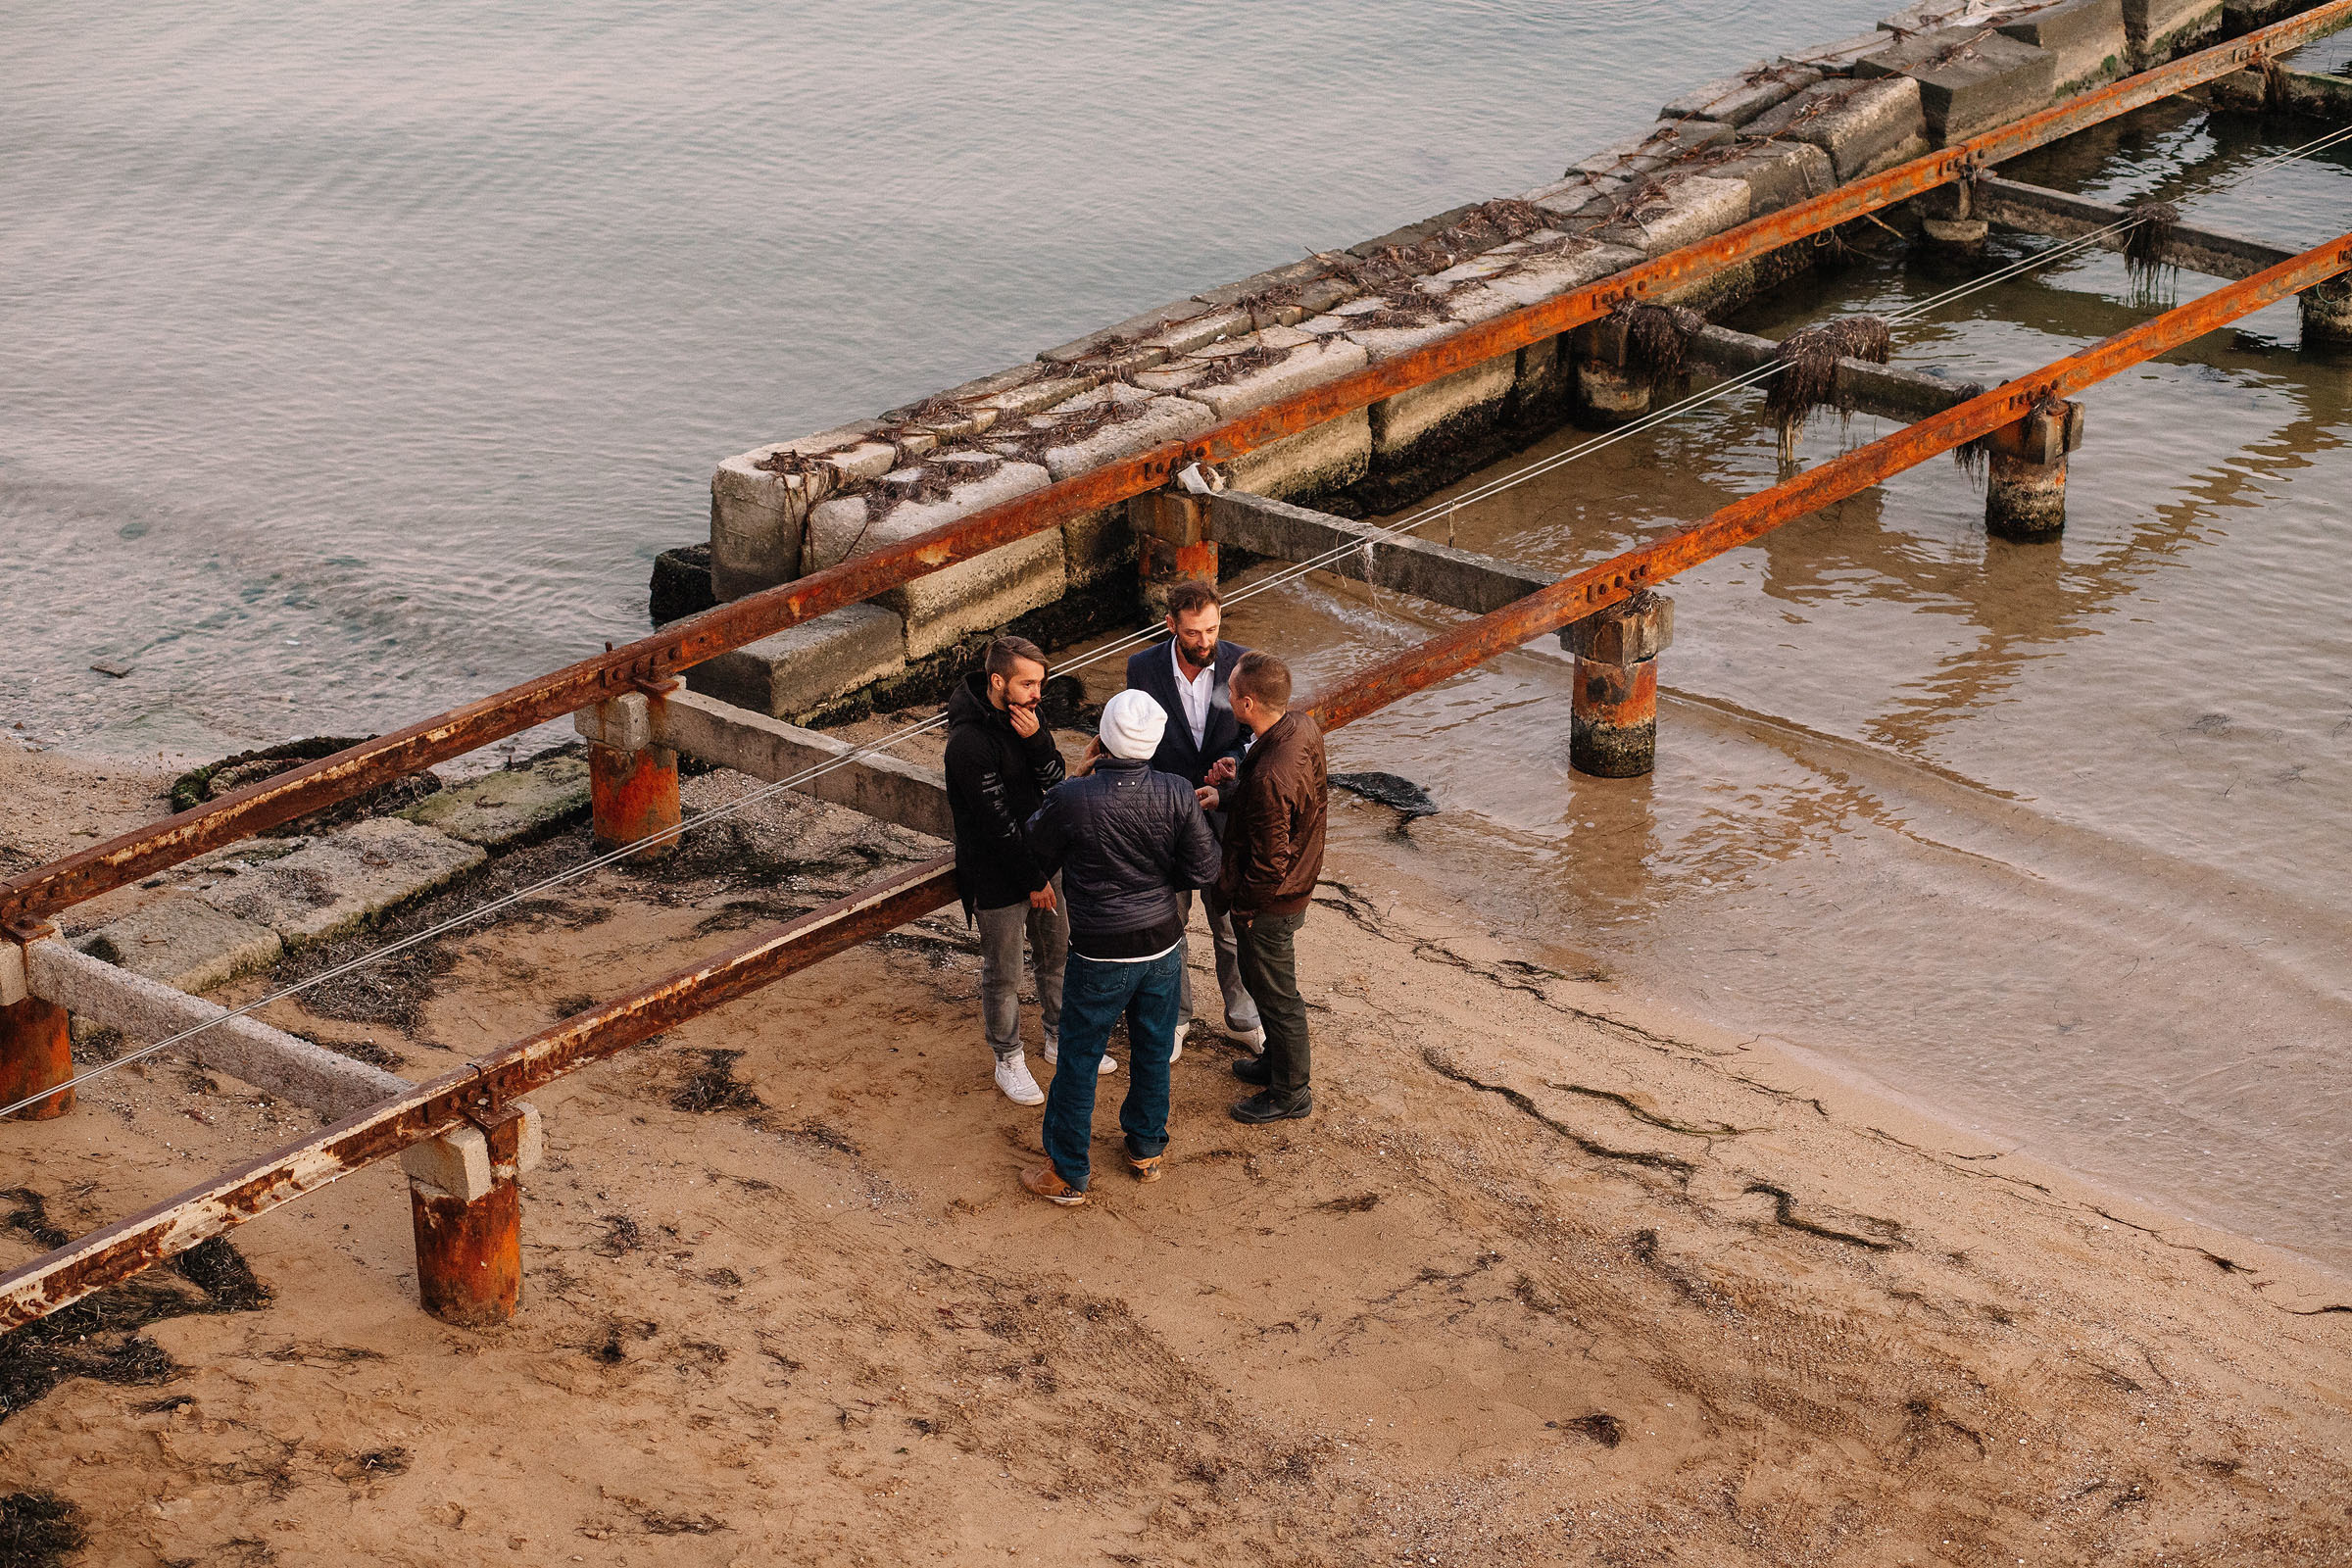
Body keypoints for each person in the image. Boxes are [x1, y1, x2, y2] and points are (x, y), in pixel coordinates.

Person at [1016, 690, 1222, 1205]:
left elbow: (1033, 848)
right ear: (1154, 742)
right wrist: (1155, 876)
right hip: (1161, 941)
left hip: (1100, 946)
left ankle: (1068, 1172)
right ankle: (1146, 1148)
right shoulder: (1176, 791)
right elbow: (1203, 869)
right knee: (1153, 1048)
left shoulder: (1073, 797)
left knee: (1080, 1058)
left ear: (1103, 739)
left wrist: (1077, 780)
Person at [1122, 579, 1263, 1061]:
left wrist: (1233, 766)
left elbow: (1252, 734)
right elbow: (1138, 740)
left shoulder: (1241, 663)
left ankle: (1242, 1013)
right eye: (1194, 633)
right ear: (1171, 626)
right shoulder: (1141, 668)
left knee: (1227, 921)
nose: (1206, 642)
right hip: (1166, 815)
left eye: (1213, 629)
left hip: (1223, 812)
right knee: (1170, 920)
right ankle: (1176, 1016)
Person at [943, 636, 1080, 1107]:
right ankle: (1008, 1058)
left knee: (1057, 956)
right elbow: (995, 824)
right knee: (1003, 974)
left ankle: (1060, 1038)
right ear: (998, 681)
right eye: (1027, 683)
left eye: (1040, 682)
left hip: (1046, 864)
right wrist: (1033, 879)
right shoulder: (967, 742)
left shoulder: (1028, 721)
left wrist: (1038, 740)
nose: (1037, 693)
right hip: (999, 874)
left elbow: (1057, 785)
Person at [1217, 651, 1328, 1125]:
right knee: (1263, 982)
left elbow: (1269, 861)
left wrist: (1243, 909)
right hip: (1296, 884)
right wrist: (1228, 789)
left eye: (1231, 691)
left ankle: (1291, 1092)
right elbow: (1292, 803)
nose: (1226, 695)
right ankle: (1274, 1064)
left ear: (1247, 704)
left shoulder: (1268, 776)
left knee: (1279, 996)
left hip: (1272, 902)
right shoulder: (1300, 726)